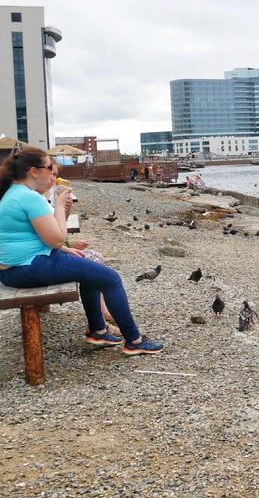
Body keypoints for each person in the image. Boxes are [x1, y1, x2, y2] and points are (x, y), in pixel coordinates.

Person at [0, 146, 163, 355]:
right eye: (49, 167)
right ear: (34, 171)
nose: (52, 172)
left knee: (91, 271)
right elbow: (58, 239)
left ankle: (98, 330)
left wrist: (68, 251)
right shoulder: (29, 197)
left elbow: (40, 239)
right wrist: (59, 206)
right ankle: (135, 340)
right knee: (111, 279)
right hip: (28, 268)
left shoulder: (13, 192)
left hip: (13, 269)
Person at [35, 164, 116, 325]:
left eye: (55, 175)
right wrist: (68, 246)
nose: (53, 179)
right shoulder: (37, 201)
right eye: (50, 174)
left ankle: (100, 318)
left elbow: (58, 227)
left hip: (49, 251)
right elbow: (50, 237)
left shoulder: (43, 199)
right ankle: (99, 321)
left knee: (94, 259)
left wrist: (66, 209)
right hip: (44, 257)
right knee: (93, 264)